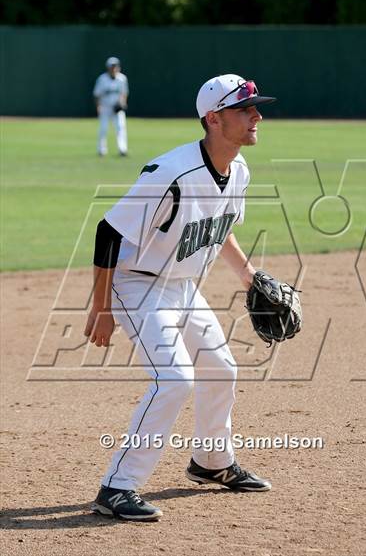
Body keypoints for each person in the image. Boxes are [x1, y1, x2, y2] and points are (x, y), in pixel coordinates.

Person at [84, 74, 277, 522]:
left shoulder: (239, 171)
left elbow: (220, 228)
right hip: (137, 285)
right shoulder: (171, 172)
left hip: (182, 288)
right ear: (214, 118)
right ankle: (118, 487)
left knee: (222, 369)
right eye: (245, 109)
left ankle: (211, 463)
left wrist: (250, 280)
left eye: (255, 108)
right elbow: (108, 232)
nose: (257, 116)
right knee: (174, 379)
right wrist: (102, 308)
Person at [93, 57, 129, 156]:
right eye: (111, 67)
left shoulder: (122, 79)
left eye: (115, 66)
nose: (113, 68)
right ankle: (102, 150)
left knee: (121, 127)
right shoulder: (102, 79)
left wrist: (123, 102)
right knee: (103, 129)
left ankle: (122, 149)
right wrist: (98, 106)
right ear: (108, 68)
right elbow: (97, 95)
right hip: (105, 107)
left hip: (117, 108)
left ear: (118, 67)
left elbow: (124, 93)